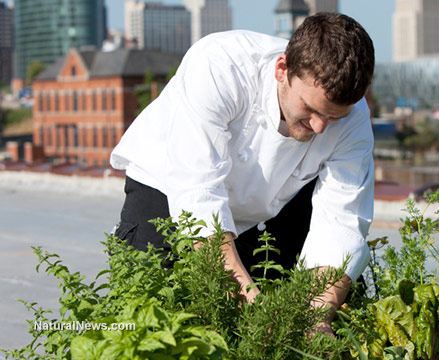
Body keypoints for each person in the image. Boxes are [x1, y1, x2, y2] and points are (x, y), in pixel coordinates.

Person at [110, 13, 375, 335]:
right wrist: (248, 296)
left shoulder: (355, 119)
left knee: (274, 320)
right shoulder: (220, 65)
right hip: (166, 187)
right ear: (282, 70)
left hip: (270, 205)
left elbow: (342, 223)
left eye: (333, 117)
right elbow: (198, 192)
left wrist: (316, 318)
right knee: (143, 314)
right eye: (311, 109)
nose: (320, 126)